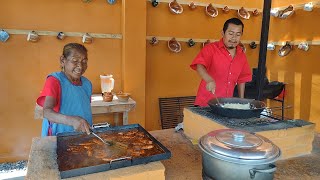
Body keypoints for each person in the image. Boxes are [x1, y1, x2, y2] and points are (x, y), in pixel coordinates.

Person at [190, 18, 252, 107]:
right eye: (230, 34)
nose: (234, 38)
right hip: (205, 104)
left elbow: (242, 79)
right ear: (223, 33)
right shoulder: (211, 48)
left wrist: (241, 101)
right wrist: (209, 80)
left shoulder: (241, 55)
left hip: (226, 105)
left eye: (238, 35)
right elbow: (199, 66)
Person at [36, 43, 92, 136]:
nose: (80, 66)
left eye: (84, 61)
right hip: (59, 137)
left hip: (82, 136)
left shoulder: (87, 84)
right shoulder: (54, 81)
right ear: (63, 60)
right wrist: (72, 120)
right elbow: (46, 112)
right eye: (75, 61)